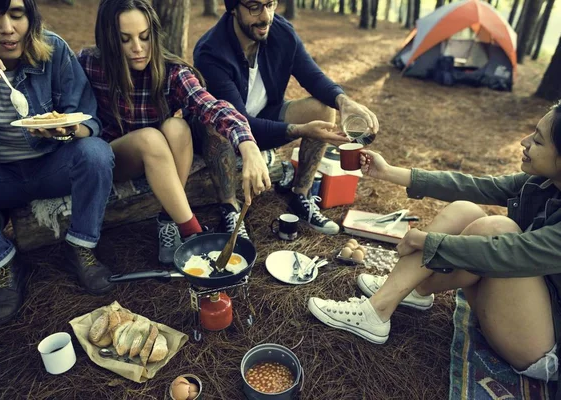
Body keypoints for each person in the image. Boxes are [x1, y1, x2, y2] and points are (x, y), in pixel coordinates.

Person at [308, 103, 561, 385]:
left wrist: (428, 241)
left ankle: (381, 307)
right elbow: (475, 186)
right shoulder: (543, 182)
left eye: (537, 141)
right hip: (524, 301)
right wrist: (389, 172)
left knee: (496, 229)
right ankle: (405, 293)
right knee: (465, 209)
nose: (524, 142)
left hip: (542, 344)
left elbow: (513, 253)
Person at [78, 0, 271, 263]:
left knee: (177, 127)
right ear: (110, 41)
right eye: (125, 40)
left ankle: (168, 219)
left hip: (159, 160)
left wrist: (247, 145)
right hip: (113, 159)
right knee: (151, 137)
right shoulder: (90, 64)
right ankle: (193, 233)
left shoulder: (171, 72)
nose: (138, 48)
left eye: (145, 37)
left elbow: (211, 106)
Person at [0, 0, 116, 325]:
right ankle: (2, 266)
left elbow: (90, 119)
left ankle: (80, 247)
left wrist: (68, 128)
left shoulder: (53, 49)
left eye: (17, 14)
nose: (7, 27)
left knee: (96, 152)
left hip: (50, 167)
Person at [191, 0, 380, 239]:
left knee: (322, 109)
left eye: (270, 4)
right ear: (232, 8)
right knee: (218, 123)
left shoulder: (281, 31)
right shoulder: (211, 52)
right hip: (222, 135)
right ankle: (230, 209)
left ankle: (301, 196)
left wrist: (345, 102)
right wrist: (302, 130)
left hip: (264, 118)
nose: (266, 16)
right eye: (254, 7)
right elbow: (237, 122)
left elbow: (312, 75)